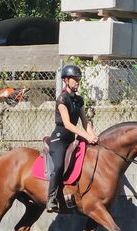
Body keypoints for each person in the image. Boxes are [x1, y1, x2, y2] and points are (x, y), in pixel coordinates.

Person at [46, 65, 99, 212]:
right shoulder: (61, 99)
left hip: (71, 139)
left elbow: (85, 122)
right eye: (74, 79)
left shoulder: (79, 100)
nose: (77, 82)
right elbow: (68, 124)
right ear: (66, 80)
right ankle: (51, 198)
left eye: (78, 79)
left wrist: (93, 135)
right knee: (58, 166)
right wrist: (86, 136)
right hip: (59, 139)